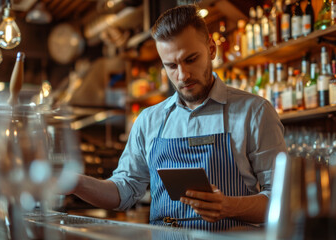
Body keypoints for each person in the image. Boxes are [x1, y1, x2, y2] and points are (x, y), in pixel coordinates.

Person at [70, 4, 286, 231]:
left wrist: (229, 206)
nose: (182, 75)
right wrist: (74, 182)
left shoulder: (255, 112)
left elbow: (283, 198)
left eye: (191, 59)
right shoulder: (148, 121)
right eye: (171, 66)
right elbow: (123, 191)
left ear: (211, 49)